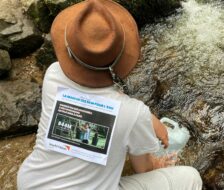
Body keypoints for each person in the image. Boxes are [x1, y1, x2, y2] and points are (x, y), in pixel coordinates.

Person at [17, 0, 202, 189]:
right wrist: (158, 163)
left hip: (31, 182)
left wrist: (145, 117)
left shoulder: (53, 74)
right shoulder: (133, 113)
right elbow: (143, 169)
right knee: (191, 177)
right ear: (121, 54)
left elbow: (97, 103)